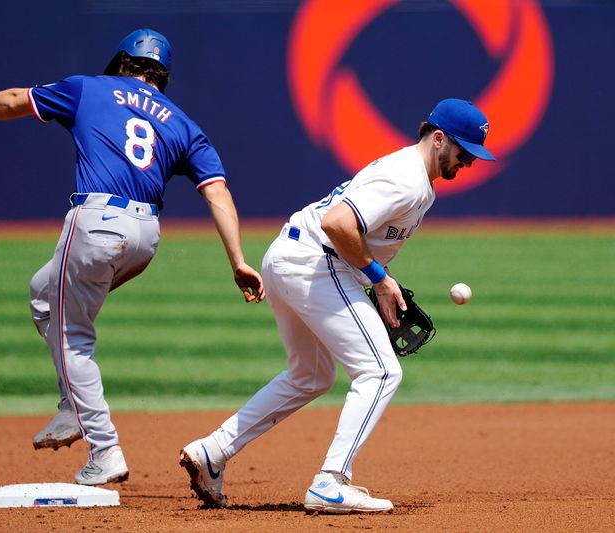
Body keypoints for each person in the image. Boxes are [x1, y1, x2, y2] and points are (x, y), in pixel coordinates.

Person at [0, 28, 264, 485]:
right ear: (162, 76)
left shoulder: (90, 87)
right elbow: (217, 192)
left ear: (121, 62)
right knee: (43, 295)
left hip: (97, 221)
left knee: (73, 335)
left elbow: (18, 98)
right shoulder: (183, 124)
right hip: (145, 236)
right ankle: (72, 406)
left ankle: (104, 448)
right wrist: (237, 259)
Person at [179, 98, 495, 513]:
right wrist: (380, 280)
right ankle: (330, 482)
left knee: (310, 375)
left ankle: (213, 451)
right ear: (439, 139)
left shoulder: (418, 181)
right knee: (380, 371)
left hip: (292, 258)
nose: (468, 162)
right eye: (464, 152)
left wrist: (379, 281)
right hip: (314, 261)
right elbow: (338, 223)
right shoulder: (406, 178)